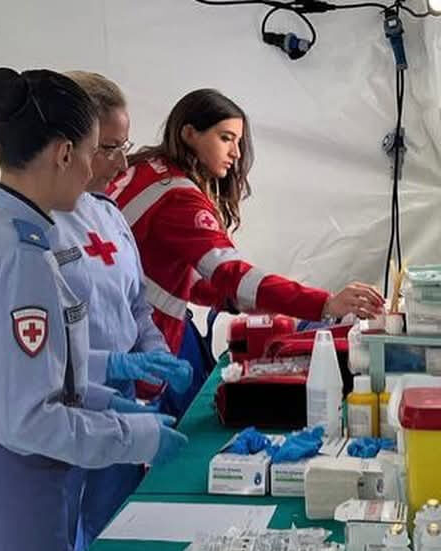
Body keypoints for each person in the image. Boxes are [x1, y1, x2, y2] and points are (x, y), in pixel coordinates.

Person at [0, 67, 188, 551]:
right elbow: (25, 419)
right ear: (65, 154)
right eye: (91, 153)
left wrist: (100, 398)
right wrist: (132, 437)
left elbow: (19, 371)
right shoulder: (23, 257)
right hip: (0, 475)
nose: (99, 170)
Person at [107, 88, 384, 378]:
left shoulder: (145, 168)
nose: (236, 153)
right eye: (225, 138)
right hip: (136, 334)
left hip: (116, 323)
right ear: (189, 134)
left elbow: (181, 274)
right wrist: (326, 303)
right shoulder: (178, 196)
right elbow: (231, 273)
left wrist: (244, 300)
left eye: (238, 141)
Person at [51, 72, 192, 551]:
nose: (121, 161)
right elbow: (37, 351)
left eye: (124, 144)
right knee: (67, 528)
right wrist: (111, 364)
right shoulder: (41, 225)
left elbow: (136, 304)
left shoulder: (108, 214)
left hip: (123, 398)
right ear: (72, 145)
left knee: (121, 527)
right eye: (109, 147)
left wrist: (153, 352)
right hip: (65, 404)